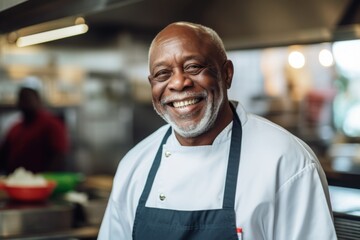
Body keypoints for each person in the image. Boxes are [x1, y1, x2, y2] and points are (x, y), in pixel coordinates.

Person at [98, 22, 337, 239]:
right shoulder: (134, 165)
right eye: (163, 74)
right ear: (153, 86)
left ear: (227, 74)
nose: (179, 83)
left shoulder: (287, 162)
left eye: (193, 67)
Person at [0, 83, 69, 174]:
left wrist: (45, 178)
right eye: (21, 99)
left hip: (42, 181)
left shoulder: (51, 124)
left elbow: (60, 155)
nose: (24, 103)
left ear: (38, 101)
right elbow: (4, 155)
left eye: (28, 99)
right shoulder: (15, 128)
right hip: (15, 181)